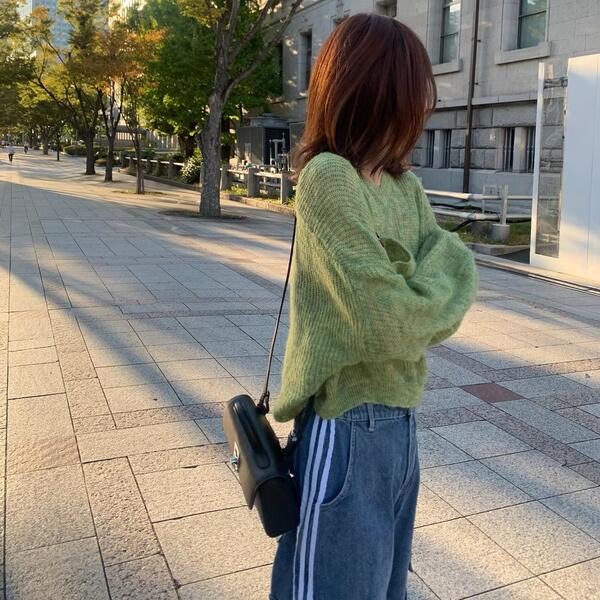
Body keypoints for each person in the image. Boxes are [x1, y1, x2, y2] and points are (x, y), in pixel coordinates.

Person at [270, 14, 478, 600]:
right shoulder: (329, 178)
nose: (423, 107)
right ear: (378, 91)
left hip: (401, 423)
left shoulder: (404, 187)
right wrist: (422, 282)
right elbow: (383, 321)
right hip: (345, 422)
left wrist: (415, 282)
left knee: (385, 588)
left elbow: (458, 266)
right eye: (415, 91)